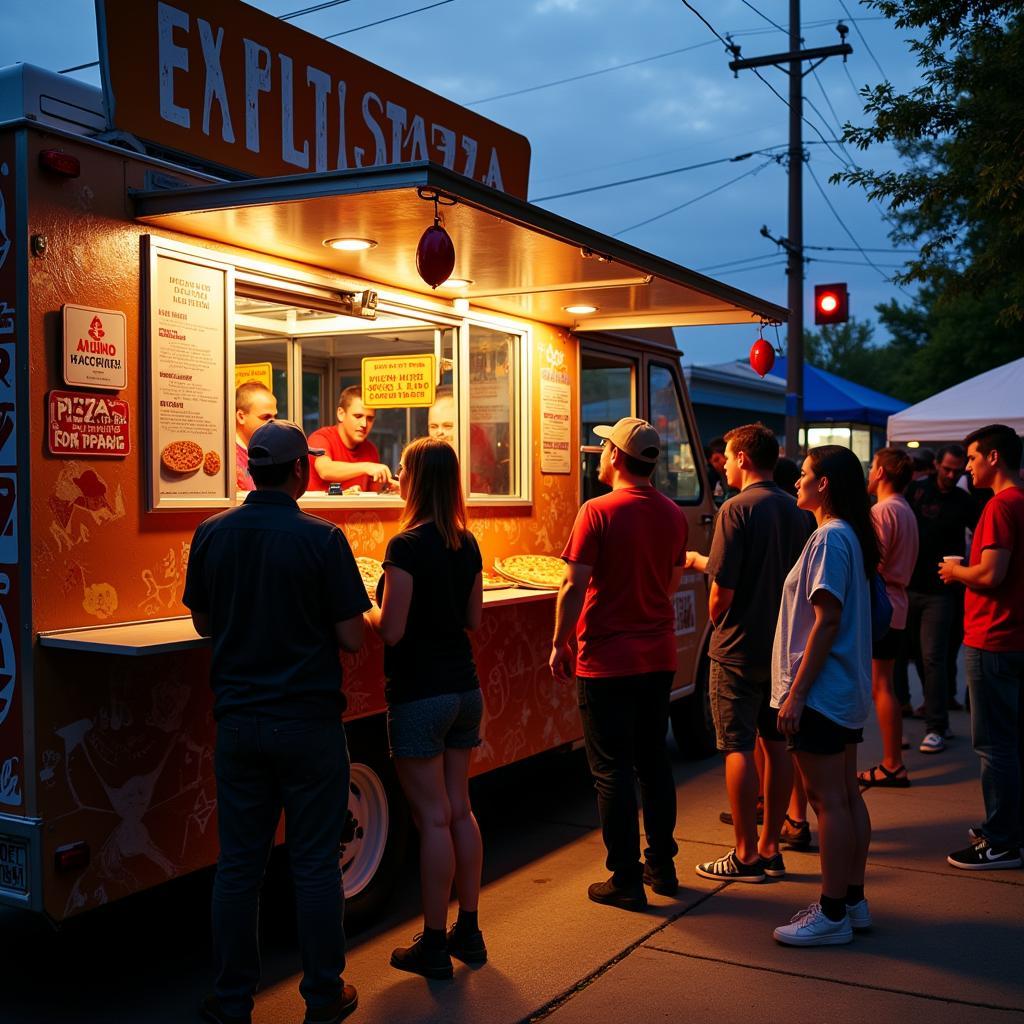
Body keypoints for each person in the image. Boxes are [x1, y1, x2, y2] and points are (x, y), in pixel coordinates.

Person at [183, 420, 369, 1024]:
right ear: (298, 471)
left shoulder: (210, 532)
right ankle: (322, 996)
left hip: (238, 724)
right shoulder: (324, 539)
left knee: (240, 866)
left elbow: (204, 625)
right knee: (314, 864)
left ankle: (233, 1000)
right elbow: (349, 637)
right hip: (309, 723)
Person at [551, 417, 688, 910]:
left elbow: (573, 585)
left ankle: (625, 879)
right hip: (658, 655)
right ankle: (663, 866)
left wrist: (559, 641)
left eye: (604, 445)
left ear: (614, 456)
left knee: (611, 769)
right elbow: (671, 584)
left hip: (607, 659)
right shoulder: (673, 514)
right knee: (653, 761)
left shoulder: (597, 511)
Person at [363, 436, 487, 977]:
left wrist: (364, 603)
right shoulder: (467, 542)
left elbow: (391, 631)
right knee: (460, 811)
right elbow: (474, 620)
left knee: (432, 820)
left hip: (419, 694)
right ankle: (470, 931)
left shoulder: (405, 546)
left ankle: (434, 944)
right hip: (465, 691)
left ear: (413, 480)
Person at [685, 424, 813, 883]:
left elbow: (722, 590)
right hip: (782, 650)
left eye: (729, 456)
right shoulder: (798, 511)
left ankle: (744, 854)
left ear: (740, 458)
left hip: (737, 647)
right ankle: (770, 846)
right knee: (776, 745)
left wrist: (717, 621)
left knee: (736, 746)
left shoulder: (735, 509)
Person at [772, 446, 876, 946]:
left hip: (821, 693)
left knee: (826, 801)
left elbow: (826, 620)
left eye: (805, 475)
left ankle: (832, 913)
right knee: (845, 796)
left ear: (826, 484)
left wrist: (796, 693)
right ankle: (851, 902)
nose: (797, 482)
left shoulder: (830, 539)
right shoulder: (844, 535)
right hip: (839, 691)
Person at [939, 424, 1024, 870]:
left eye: (972, 458)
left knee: (995, 745)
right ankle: (1010, 828)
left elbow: (991, 574)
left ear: (993, 458)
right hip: (1015, 636)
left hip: (993, 636)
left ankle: (1001, 839)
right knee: (1011, 743)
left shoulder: (999, 506)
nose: (967, 466)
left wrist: (957, 573)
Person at [899, 445, 978, 750]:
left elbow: (980, 535)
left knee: (933, 657)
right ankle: (911, 715)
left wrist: (970, 570)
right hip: (909, 585)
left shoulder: (963, 500)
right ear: (935, 465)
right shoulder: (917, 491)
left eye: (956, 470)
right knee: (910, 656)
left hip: (941, 591)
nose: (951, 474)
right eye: (946, 468)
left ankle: (936, 725)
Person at [858, 448, 919, 787]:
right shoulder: (904, 509)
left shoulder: (882, 511)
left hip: (884, 603)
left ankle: (892, 763)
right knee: (887, 684)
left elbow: (873, 563)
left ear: (881, 472)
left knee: (882, 685)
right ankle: (894, 756)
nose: (868, 473)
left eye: (872, 467)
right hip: (898, 601)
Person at [307, 385, 396, 492]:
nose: (364, 424)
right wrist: (366, 467)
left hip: (356, 509)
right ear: (341, 414)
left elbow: (373, 500)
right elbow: (325, 470)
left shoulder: (371, 450)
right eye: (358, 416)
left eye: (370, 418)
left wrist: (391, 490)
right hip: (316, 509)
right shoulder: (320, 438)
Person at [426, 387, 502, 493]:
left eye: (448, 426)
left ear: (463, 426)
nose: (439, 432)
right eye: (433, 426)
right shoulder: (422, 460)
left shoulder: (476, 458)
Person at [234, 381, 277, 491]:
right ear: (241, 417)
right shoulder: (228, 458)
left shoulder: (262, 454)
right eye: (265, 417)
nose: (273, 423)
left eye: (274, 417)